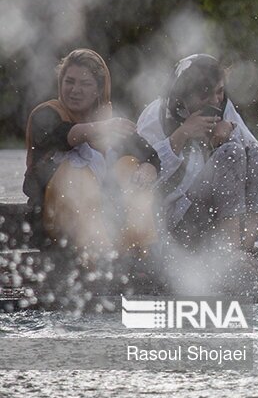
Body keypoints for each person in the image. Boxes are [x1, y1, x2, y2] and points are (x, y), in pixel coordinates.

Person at [24, 49, 159, 256]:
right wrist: (100, 129)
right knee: (75, 171)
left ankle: (138, 249)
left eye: (85, 84)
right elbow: (61, 134)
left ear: (98, 89)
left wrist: (148, 168)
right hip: (54, 220)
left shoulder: (108, 120)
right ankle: (96, 254)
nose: (75, 90)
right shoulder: (47, 113)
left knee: (130, 165)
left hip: (109, 215)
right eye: (69, 82)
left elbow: (150, 154)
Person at [137, 54, 258, 253]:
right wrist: (181, 135)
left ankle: (246, 248)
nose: (215, 100)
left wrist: (229, 134)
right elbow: (141, 186)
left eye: (219, 91)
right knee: (230, 153)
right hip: (175, 225)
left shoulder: (223, 107)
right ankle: (231, 254)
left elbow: (257, 165)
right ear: (182, 95)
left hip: (219, 216)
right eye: (204, 95)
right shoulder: (155, 117)